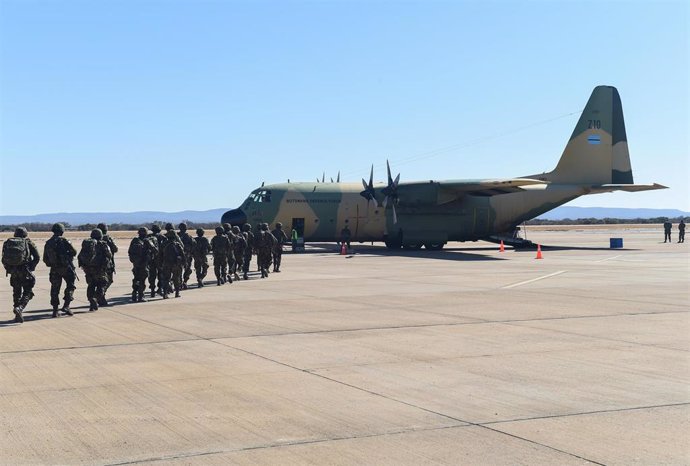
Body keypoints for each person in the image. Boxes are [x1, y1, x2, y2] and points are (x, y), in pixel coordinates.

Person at [2, 227, 40, 323]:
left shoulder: (7, 243)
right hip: (25, 270)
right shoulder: (28, 242)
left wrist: (9, 269)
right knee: (28, 292)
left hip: (14, 271)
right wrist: (31, 267)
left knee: (16, 293)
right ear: (25, 233)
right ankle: (20, 308)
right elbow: (37, 257)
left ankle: (17, 314)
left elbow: (3, 259)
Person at [43, 223, 77, 317]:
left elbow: (45, 259)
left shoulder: (48, 242)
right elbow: (74, 252)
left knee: (54, 289)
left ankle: (55, 310)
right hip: (66, 268)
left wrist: (52, 264)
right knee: (70, 286)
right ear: (62, 231)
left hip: (54, 269)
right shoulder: (65, 241)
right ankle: (66, 305)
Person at [78, 228, 112, 312]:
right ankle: (95, 298)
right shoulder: (103, 244)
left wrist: (84, 266)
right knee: (103, 284)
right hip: (99, 269)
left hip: (88, 269)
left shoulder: (87, 244)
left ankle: (91, 302)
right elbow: (109, 255)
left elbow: (80, 256)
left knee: (91, 285)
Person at [128, 227, 154, 303]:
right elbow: (155, 250)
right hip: (144, 264)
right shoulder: (147, 241)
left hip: (136, 264)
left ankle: (134, 293)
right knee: (142, 280)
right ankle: (140, 296)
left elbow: (130, 252)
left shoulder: (134, 241)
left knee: (136, 279)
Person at [97, 223, 118, 305]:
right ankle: (100, 296)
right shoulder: (107, 238)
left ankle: (98, 296)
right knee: (107, 281)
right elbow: (115, 249)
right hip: (107, 265)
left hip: (95, 265)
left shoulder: (93, 239)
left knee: (98, 282)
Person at [160, 227, 185, 298]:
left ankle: (165, 293)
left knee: (166, 279)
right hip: (176, 265)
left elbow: (160, 255)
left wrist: (160, 264)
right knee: (176, 279)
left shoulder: (163, 244)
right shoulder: (177, 244)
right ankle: (177, 293)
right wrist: (183, 263)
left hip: (166, 264)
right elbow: (182, 254)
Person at [148, 224, 166, 297]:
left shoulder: (148, 237)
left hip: (151, 259)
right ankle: (160, 288)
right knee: (161, 274)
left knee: (152, 275)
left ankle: (152, 290)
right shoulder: (162, 237)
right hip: (160, 258)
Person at [178, 222, 195, 290]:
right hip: (186, 255)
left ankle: (180, 282)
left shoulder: (177, 236)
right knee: (187, 269)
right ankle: (184, 282)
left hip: (179, 256)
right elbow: (194, 245)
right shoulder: (188, 236)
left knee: (179, 270)